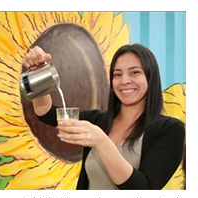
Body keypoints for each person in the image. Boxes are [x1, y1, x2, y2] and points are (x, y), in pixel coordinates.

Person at [22, 44, 185, 190]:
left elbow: (143, 191)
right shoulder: (98, 121)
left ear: (151, 77)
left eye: (135, 72)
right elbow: (47, 114)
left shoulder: (170, 130)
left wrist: (101, 141)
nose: (125, 81)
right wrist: (38, 74)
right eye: (117, 74)